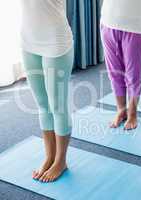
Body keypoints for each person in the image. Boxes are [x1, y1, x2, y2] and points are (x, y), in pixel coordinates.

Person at [20, 0, 74, 182]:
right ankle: (49, 157)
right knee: (43, 105)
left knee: (57, 106)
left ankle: (60, 161)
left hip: (55, 40)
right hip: (28, 40)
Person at [100, 0, 141, 130]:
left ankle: (132, 114)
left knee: (133, 75)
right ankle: (121, 110)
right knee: (114, 73)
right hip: (108, 21)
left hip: (133, 27)